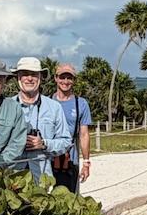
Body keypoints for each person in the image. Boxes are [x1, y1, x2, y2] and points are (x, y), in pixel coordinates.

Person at [12, 56, 71, 182]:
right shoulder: (7, 106)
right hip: (12, 179)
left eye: (34, 74)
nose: (29, 78)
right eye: (25, 74)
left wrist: (43, 144)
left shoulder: (54, 107)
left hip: (42, 180)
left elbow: (66, 142)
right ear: (18, 77)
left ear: (40, 78)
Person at [52, 62, 91, 192]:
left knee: (70, 194)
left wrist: (86, 162)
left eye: (69, 78)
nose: (65, 81)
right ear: (56, 78)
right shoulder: (47, 102)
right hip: (49, 157)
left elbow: (84, 134)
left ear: (74, 80)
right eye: (62, 77)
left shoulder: (81, 104)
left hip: (71, 158)